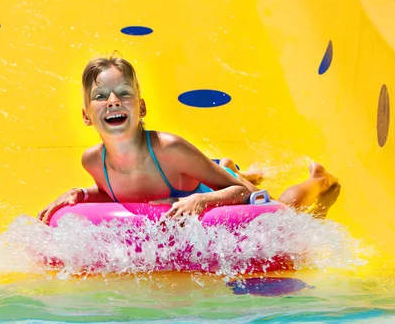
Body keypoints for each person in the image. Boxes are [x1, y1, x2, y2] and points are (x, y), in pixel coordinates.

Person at [37, 55, 339, 225]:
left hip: (209, 189)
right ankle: (224, 165)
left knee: (285, 207)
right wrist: (82, 194)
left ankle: (318, 179)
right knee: (218, 170)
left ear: (141, 108)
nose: (113, 101)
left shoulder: (169, 149)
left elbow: (246, 193)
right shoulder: (93, 161)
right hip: (193, 176)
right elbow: (119, 192)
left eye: (124, 93)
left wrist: (202, 200)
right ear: (86, 115)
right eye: (100, 97)